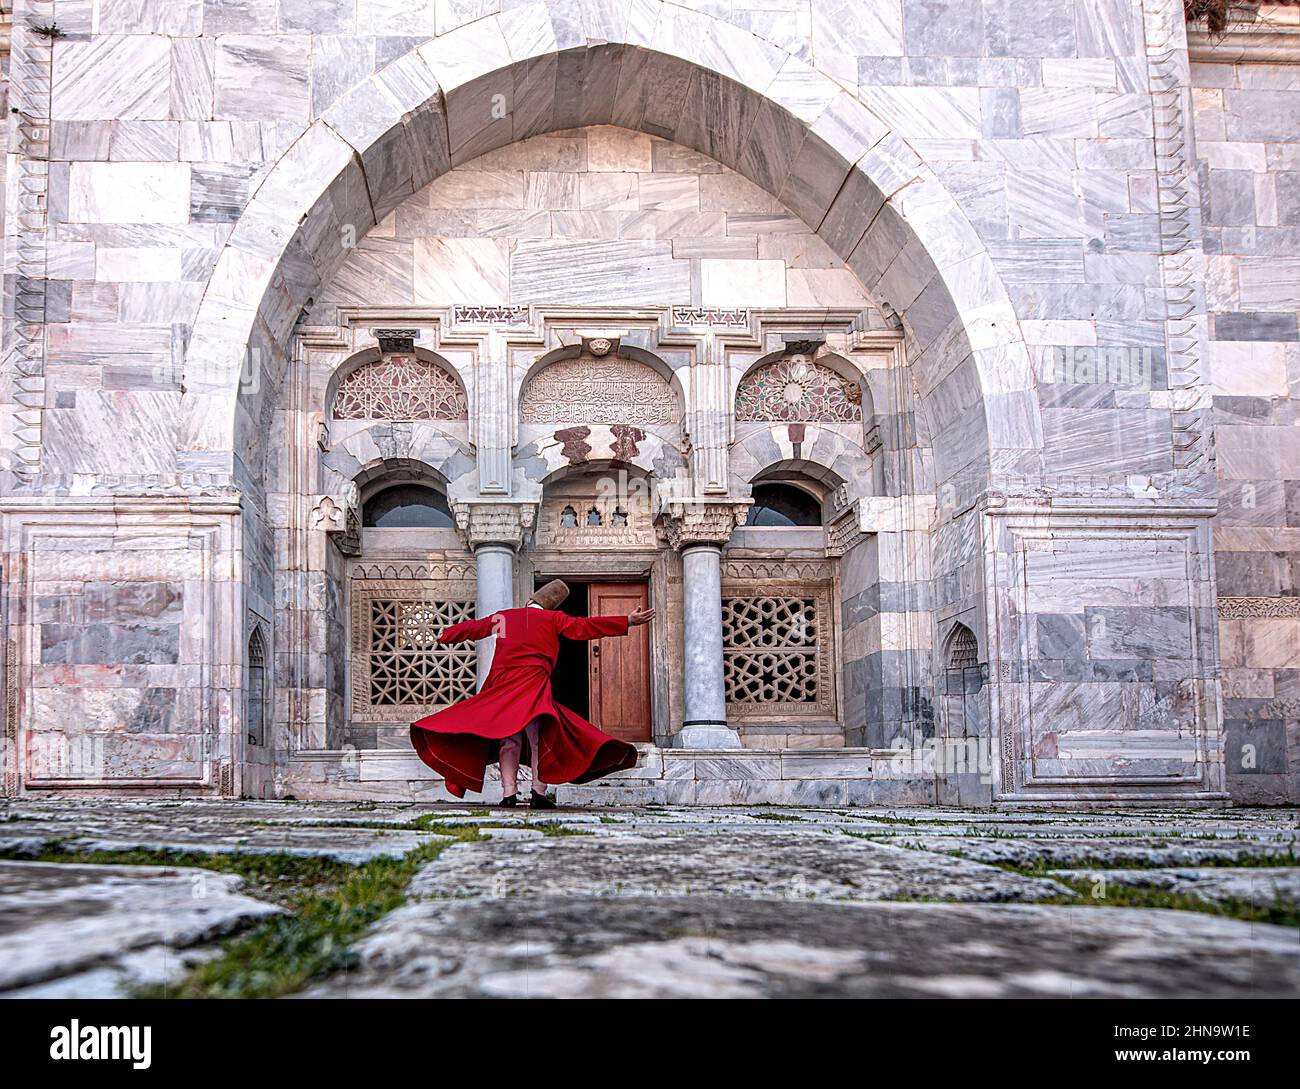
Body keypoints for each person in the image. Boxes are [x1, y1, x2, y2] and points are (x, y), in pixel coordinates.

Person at [409, 579, 655, 807]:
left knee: (509, 739)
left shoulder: (505, 618)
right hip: (532, 684)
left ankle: (509, 794)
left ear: (529, 601)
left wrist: (444, 636)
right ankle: (538, 793)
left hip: (503, 685)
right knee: (538, 738)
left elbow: (475, 628)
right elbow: (584, 627)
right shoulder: (554, 619)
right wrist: (627, 621)